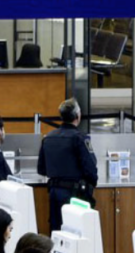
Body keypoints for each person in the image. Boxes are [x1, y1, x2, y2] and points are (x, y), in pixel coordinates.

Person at [37, 99, 98, 234]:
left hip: (54, 194)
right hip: (76, 196)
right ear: (77, 116)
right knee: (76, 234)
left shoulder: (48, 138)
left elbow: (41, 169)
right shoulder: (80, 138)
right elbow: (91, 169)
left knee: (57, 234)